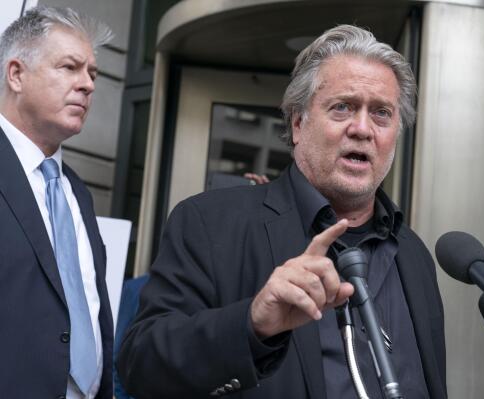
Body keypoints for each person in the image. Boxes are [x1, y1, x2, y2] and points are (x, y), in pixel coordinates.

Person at [118, 25, 446, 399]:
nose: (362, 128)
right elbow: (141, 366)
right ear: (297, 122)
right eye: (343, 107)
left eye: (381, 113)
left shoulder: (414, 254)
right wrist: (252, 324)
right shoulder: (210, 223)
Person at [0, 6, 113, 399]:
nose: (88, 85)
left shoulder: (76, 193)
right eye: (69, 67)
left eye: (93, 73)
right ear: (17, 74)